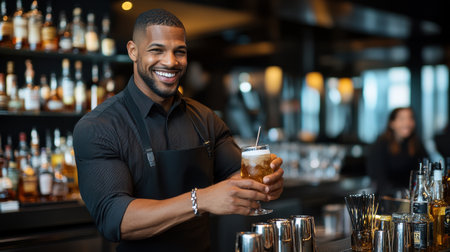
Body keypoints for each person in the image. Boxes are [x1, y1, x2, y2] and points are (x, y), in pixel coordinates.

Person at [72, 9, 284, 251]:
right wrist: (200, 200)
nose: (171, 62)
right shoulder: (99, 126)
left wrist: (266, 184)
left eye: (179, 52)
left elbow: (239, 174)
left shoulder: (205, 118)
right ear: (133, 51)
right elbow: (115, 219)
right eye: (157, 50)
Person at [366, 107, 427, 197]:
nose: (407, 123)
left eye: (410, 118)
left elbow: (425, 170)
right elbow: (378, 178)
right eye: (402, 119)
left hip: (412, 197)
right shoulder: (381, 144)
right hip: (387, 199)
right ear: (392, 123)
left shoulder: (416, 144)